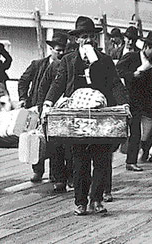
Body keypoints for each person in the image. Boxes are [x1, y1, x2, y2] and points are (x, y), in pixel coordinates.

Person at [41, 16, 129, 215]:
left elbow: (115, 84)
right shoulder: (69, 60)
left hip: (101, 116)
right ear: (77, 40)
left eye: (91, 36)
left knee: (102, 160)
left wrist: (125, 104)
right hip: (77, 117)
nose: (88, 40)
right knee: (79, 161)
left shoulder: (105, 60)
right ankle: (80, 201)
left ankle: (96, 199)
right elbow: (58, 84)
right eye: (84, 37)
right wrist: (47, 104)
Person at [18, 32, 67, 183]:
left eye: (63, 50)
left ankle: (55, 174)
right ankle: (37, 170)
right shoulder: (37, 64)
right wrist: (23, 98)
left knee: (54, 141)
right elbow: (23, 81)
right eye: (58, 50)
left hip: (55, 108)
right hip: (35, 107)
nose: (61, 53)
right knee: (35, 138)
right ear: (51, 49)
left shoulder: (64, 65)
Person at [116, 31, 152, 172]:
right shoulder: (132, 57)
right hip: (132, 100)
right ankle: (130, 161)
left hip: (146, 102)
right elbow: (117, 71)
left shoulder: (151, 64)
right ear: (146, 47)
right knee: (135, 131)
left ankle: (146, 153)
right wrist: (133, 75)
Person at [36, 41, 77, 193]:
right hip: (54, 111)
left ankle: (71, 177)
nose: (63, 54)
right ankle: (59, 178)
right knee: (55, 146)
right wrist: (42, 108)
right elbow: (43, 88)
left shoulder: (75, 65)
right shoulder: (53, 67)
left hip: (69, 110)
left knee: (71, 147)